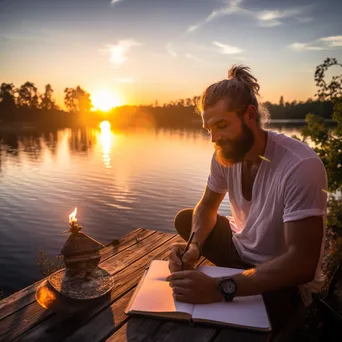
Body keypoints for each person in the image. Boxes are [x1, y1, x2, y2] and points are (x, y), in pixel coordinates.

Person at [167, 65, 328, 337]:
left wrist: (221, 288)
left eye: (222, 125)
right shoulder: (224, 154)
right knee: (186, 219)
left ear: (250, 115)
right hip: (239, 249)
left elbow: (302, 263)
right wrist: (194, 246)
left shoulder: (300, 165)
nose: (215, 138)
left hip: (280, 275)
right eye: (209, 129)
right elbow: (207, 205)